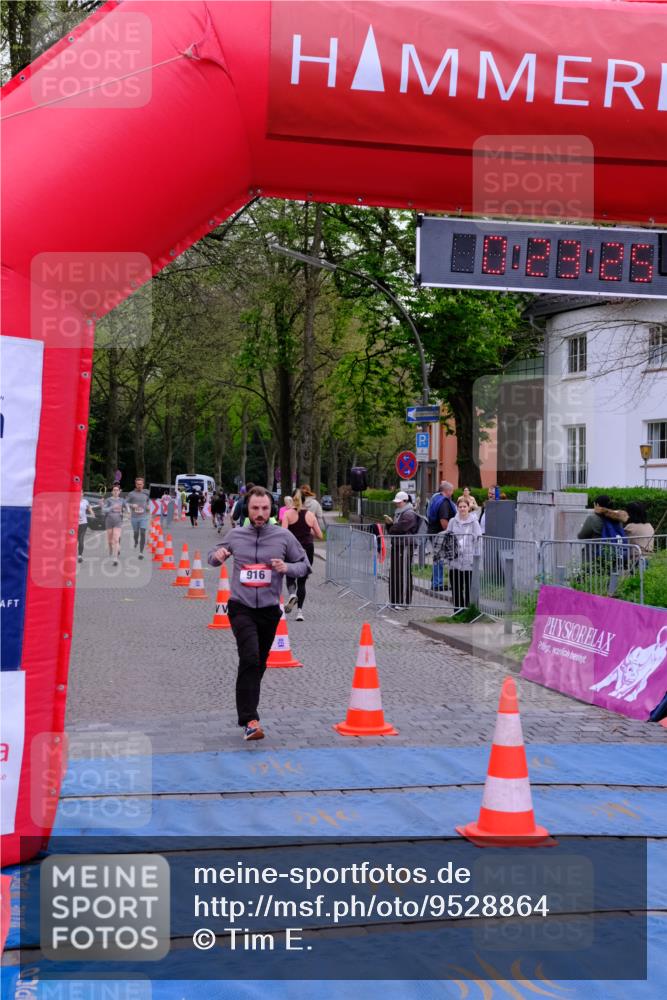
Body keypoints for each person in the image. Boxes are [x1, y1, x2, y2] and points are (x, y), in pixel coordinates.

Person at [207, 486, 310, 741]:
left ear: (271, 509)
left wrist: (287, 568)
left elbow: (304, 565)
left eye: (264, 508)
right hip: (240, 607)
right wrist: (218, 556)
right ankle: (250, 720)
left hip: (269, 610)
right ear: (247, 508)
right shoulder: (236, 535)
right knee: (250, 657)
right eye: (255, 508)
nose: (260, 513)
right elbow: (212, 558)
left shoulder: (283, 536)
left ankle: (249, 709)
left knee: (258, 663)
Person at [281, 489, 323, 619]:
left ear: (293, 500)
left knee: (290, 577)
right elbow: (320, 535)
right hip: (307, 550)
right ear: (305, 501)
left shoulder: (287, 514)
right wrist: (308, 531)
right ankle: (300, 612)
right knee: (302, 581)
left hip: (292, 550)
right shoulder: (310, 515)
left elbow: (283, 534)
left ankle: (292, 595)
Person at [442, 496, 483, 611]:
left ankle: (468, 611)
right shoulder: (452, 521)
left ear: (469, 507)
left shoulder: (474, 522)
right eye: (460, 507)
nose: (462, 509)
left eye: (464, 506)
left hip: (469, 560)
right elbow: (447, 537)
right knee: (456, 588)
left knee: (469, 588)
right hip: (455, 560)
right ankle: (458, 611)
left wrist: (477, 557)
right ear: (457, 508)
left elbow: (479, 540)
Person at [383, 490, 420, 608]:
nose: (397, 504)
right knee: (395, 572)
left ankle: (403, 602)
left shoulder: (409, 514)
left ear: (405, 501)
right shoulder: (400, 512)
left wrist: (390, 526)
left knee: (403, 573)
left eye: (399, 502)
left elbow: (400, 528)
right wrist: (391, 525)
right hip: (398, 545)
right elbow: (396, 528)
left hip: (405, 546)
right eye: (396, 502)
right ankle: (395, 600)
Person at [102, 484, 128, 565]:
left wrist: (128, 511)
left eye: (117, 490)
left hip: (118, 521)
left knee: (116, 539)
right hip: (109, 521)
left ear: (119, 491)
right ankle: (111, 548)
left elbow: (127, 506)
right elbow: (104, 510)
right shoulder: (108, 500)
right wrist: (111, 507)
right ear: (112, 492)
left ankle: (115, 558)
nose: (116, 491)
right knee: (110, 541)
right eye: (114, 490)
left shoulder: (122, 500)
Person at [126, 476, 150, 559]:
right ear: (135, 485)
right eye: (138, 484)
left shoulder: (147, 493)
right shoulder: (131, 494)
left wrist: (148, 506)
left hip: (144, 517)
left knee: (143, 533)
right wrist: (132, 505)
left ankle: (141, 553)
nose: (139, 486)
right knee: (136, 533)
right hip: (134, 517)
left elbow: (150, 501)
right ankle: (136, 540)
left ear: (143, 484)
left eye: (140, 484)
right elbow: (125, 503)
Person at [77, 491, 94, 563]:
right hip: (74, 524)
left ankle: (80, 556)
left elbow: (89, 508)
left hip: (83, 523)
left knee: (81, 540)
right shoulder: (73, 500)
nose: (79, 494)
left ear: (82, 493)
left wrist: (92, 513)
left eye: (81, 492)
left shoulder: (85, 501)